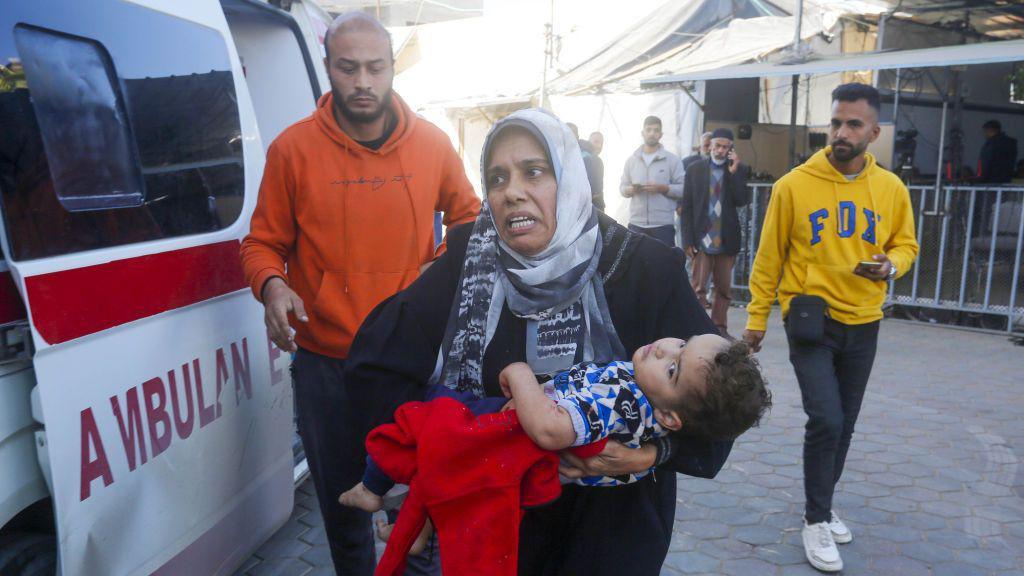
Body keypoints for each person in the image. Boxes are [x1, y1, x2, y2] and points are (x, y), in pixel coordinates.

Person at [342, 108, 733, 575]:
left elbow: (722, 396)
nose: (512, 192)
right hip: (494, 532)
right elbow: (378, 361)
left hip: (608, 536)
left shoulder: (643, 269)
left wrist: (652, 452)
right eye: (497, 178)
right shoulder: (469, 258)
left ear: (567, 177)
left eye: (533, 172)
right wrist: (421, 472)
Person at [238, 13, 480, 575]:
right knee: (344, 510)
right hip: (327, 367)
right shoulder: (291, 151)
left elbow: (470, 224)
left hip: (410, 362)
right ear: (328, 70)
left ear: (394, 68)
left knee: (417, 507)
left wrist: (436, 278)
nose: (363, 82)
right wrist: (272, 286)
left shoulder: (433, 145)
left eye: (376, 67)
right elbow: (261, 244)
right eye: (348, 68)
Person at [742, 83, 919, 573]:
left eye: (853, 125)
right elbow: (769, 257)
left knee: (846, 423)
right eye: (836, 122)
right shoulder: (794, 185)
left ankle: (822, 504)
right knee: (826, 419)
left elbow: (907, 244)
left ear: (874, 132)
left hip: (865, 321)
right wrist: (756, 319)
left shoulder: (891, 189)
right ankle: (816, 518)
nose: (841, 132)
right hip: (810, 320)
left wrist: (891, 266)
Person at [680, 128, 750, 338]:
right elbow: (687, 206)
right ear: (709, 145)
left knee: (724, 290)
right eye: (717, 145)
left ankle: (719, 329)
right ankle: (697, 330)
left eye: (725, 147)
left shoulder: (738, 170)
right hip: (702, 239)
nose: (720, 150)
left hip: (726, 240)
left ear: (731, 149)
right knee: (698, 288)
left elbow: (741, 200)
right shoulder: (695, 169)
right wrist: (687, 240)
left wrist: (734, 171)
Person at [620, 115, 686, 248]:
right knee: (635, 266)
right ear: (642, 133)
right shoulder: (631, 160)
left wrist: (663, 188)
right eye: (648, 130)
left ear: (661, 135)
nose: (652, 134)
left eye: (656, 131)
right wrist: (630, 190)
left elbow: (684, 189)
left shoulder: (672, 160)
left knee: (662, 266)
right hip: (636, 224)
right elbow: (622, 187)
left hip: (663, 226)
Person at [569, 122, 605, 210]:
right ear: (588, 141)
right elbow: (596, 191)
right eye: (596, 142)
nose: (599, 146)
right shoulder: (596, 160)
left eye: (601, 143)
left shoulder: (573, 154)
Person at [977, 119, 1018, 183]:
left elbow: (986, 163)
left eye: (985, 131)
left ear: (989, 130)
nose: (984, 134)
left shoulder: (991, 144)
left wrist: (980, 178)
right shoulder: (1011, 143)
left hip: (990, 181)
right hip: (1006, 179)